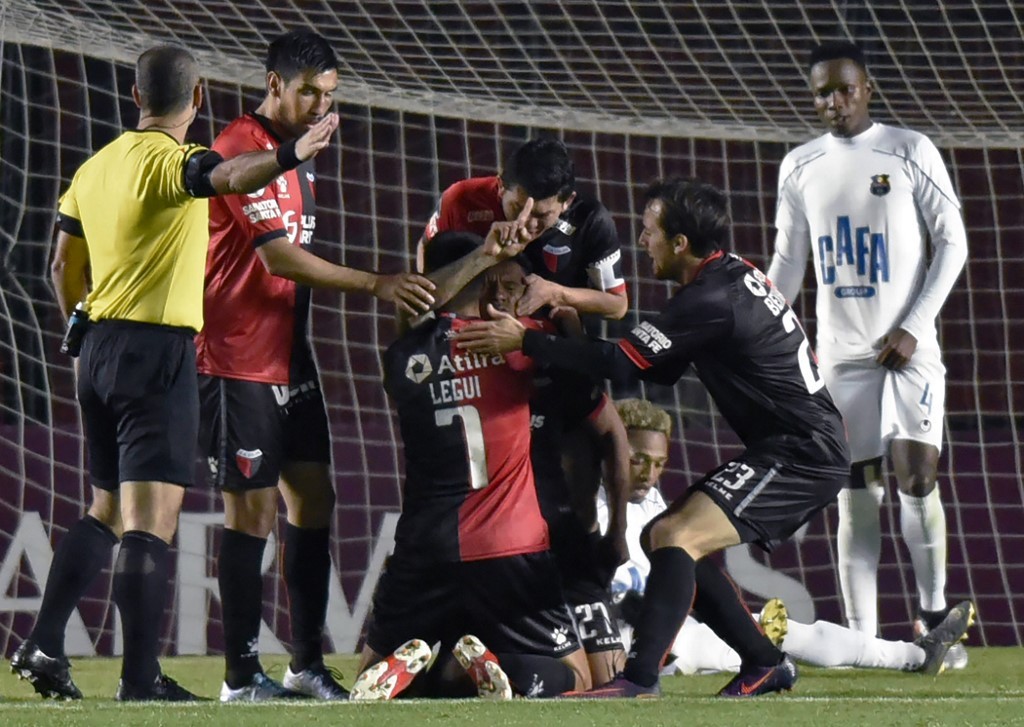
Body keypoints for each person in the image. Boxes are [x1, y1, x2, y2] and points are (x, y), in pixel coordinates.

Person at [12, 44, 338, 702]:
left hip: (95, 347)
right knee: (151, 523)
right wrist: (289, 156)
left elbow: (59, 268)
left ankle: (43, 642)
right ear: (197, 100)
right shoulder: (179, 162)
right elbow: (231, 177)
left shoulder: (95, 168)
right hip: (157, 351)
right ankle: (140, 681)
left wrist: (76, 318)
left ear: (135, 97)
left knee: (105, 509)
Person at [456, 175, 854, 698]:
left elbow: (624, 363)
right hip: (792, 445)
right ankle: (761, 660)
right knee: (663, 536)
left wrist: (528, 340)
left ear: (680, 243)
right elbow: (659, 368)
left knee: (674, 536)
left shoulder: (710, 298)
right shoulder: (727, 279)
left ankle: (639, 680)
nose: (642, 242)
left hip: (804, 452)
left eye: (649, 232)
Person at [191, 30, 435, 703]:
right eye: (309, 93)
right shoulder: (243, 146)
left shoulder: (306, 154)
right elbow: (278, 259)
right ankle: (241, 676)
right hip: (237, 355)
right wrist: (376, 284)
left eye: (330, 95)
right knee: (251, 510)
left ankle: (304, 664)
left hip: (289, 356)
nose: (321, 106)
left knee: (315, 497)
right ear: (274, 83)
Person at [766, 41, 969, 660]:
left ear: (868, 88)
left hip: (908, 349)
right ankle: (864, 637)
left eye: (844, 88)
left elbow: (953, 242)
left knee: (916, 472)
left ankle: (933, 617)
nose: (834, 102)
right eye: (822, 92)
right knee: (853, 485)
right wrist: (761, 323)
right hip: (840, 352)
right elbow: (788, 262)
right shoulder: (800, 165)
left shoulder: (909, 149)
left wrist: (914, 323)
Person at [349, 227, 592, 701]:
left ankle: (418, 674)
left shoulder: (398, 358)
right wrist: (565, 318)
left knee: (371, 668)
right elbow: (579, 368)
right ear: (481, 281)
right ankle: (504, 672)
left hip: (424, 545)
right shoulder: (514, 343)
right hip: (510, 543)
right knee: (579, 680)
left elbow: (415, 328)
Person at [599, 399, 974, 677]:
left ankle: (915, 655)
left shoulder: (652, 504)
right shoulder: (589, 506)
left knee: (785, 631)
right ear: (613, 450)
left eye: (659, 463)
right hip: (620, 642)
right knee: (756, 638)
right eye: (637, 460)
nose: (649, 474)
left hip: (667, 629)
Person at [417, 136, 627, 320]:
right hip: (464, 334)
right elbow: (424, 273)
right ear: (500, 187)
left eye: (542, 215)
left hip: (547, 341)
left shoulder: (590, 220)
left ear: (567, 202)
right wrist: (485, 257)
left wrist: (556, 293)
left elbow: (617, 305)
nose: (528, 223)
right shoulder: (462, 200)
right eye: (518, 208)